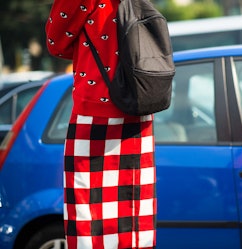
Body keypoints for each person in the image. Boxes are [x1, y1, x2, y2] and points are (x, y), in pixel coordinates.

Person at [45, 1, 156, 248]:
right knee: (135, 212)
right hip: (140, 103)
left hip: (94, 109)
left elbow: (56, 43)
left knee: (86, 213)